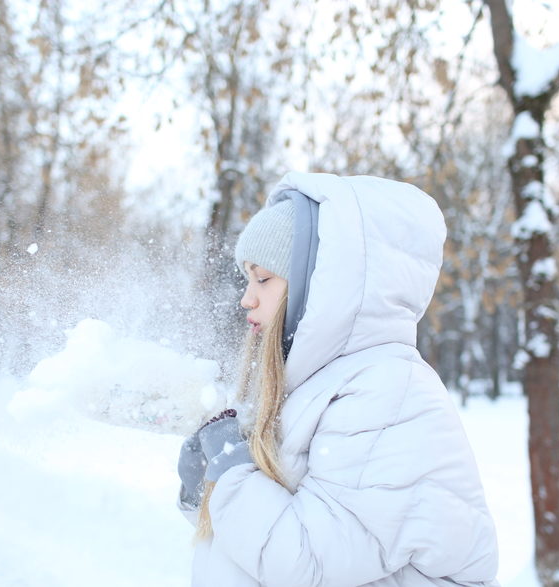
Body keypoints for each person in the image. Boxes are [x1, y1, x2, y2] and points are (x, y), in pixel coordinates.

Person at [177, 172, 500, 587]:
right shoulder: (312, 387)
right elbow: (255, 548)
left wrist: (232, 476)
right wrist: (203, 487)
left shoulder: (387, 391)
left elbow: (307, 563)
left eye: (264, 278)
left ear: (319, 285)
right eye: (246, 279)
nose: (247, 298)